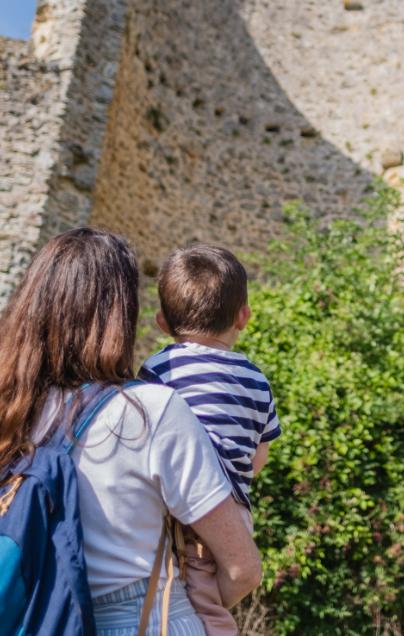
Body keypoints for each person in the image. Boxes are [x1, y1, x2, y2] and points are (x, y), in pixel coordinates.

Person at [0, 228, 261, 636]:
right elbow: (244, 570)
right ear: (121, 316)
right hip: (142, 619)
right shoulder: (152, 409)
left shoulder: (2, 411)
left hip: (37, 617)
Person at [138, 243, 280, 636]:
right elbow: (258, 453)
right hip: (235, 509)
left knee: (198, 606)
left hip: (192, 512)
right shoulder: (256, 380)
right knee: (203, 594)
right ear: (244, 316)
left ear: (162, 322)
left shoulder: (157, 368)